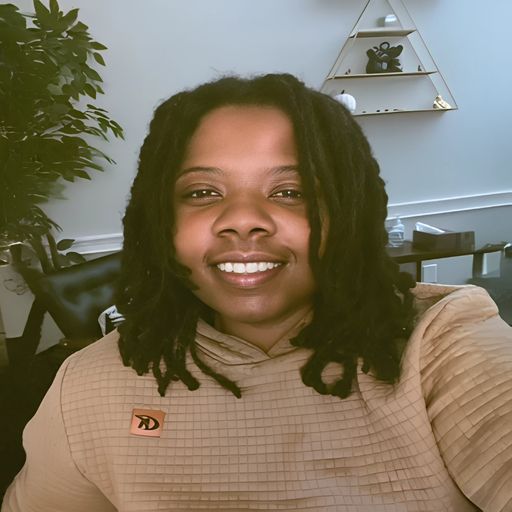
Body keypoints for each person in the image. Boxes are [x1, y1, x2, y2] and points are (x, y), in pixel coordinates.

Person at [2, 73, 512, 512]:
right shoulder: (90, 383)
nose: (243, 220)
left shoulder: (444, 344)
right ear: (162, 222)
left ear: (345, 214)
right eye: (203, 192)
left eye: (290, 192)